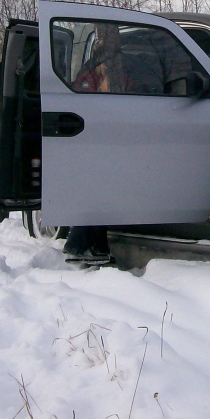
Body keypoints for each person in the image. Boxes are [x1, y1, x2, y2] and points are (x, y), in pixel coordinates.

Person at [61, 25, 125, 267]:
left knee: (104, 193)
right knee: (97, 193)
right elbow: (85, 101)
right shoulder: (92, 73)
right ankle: (76, 244)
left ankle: (98, 247)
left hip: (108, 139)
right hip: (95, 139)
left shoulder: (115, 71)